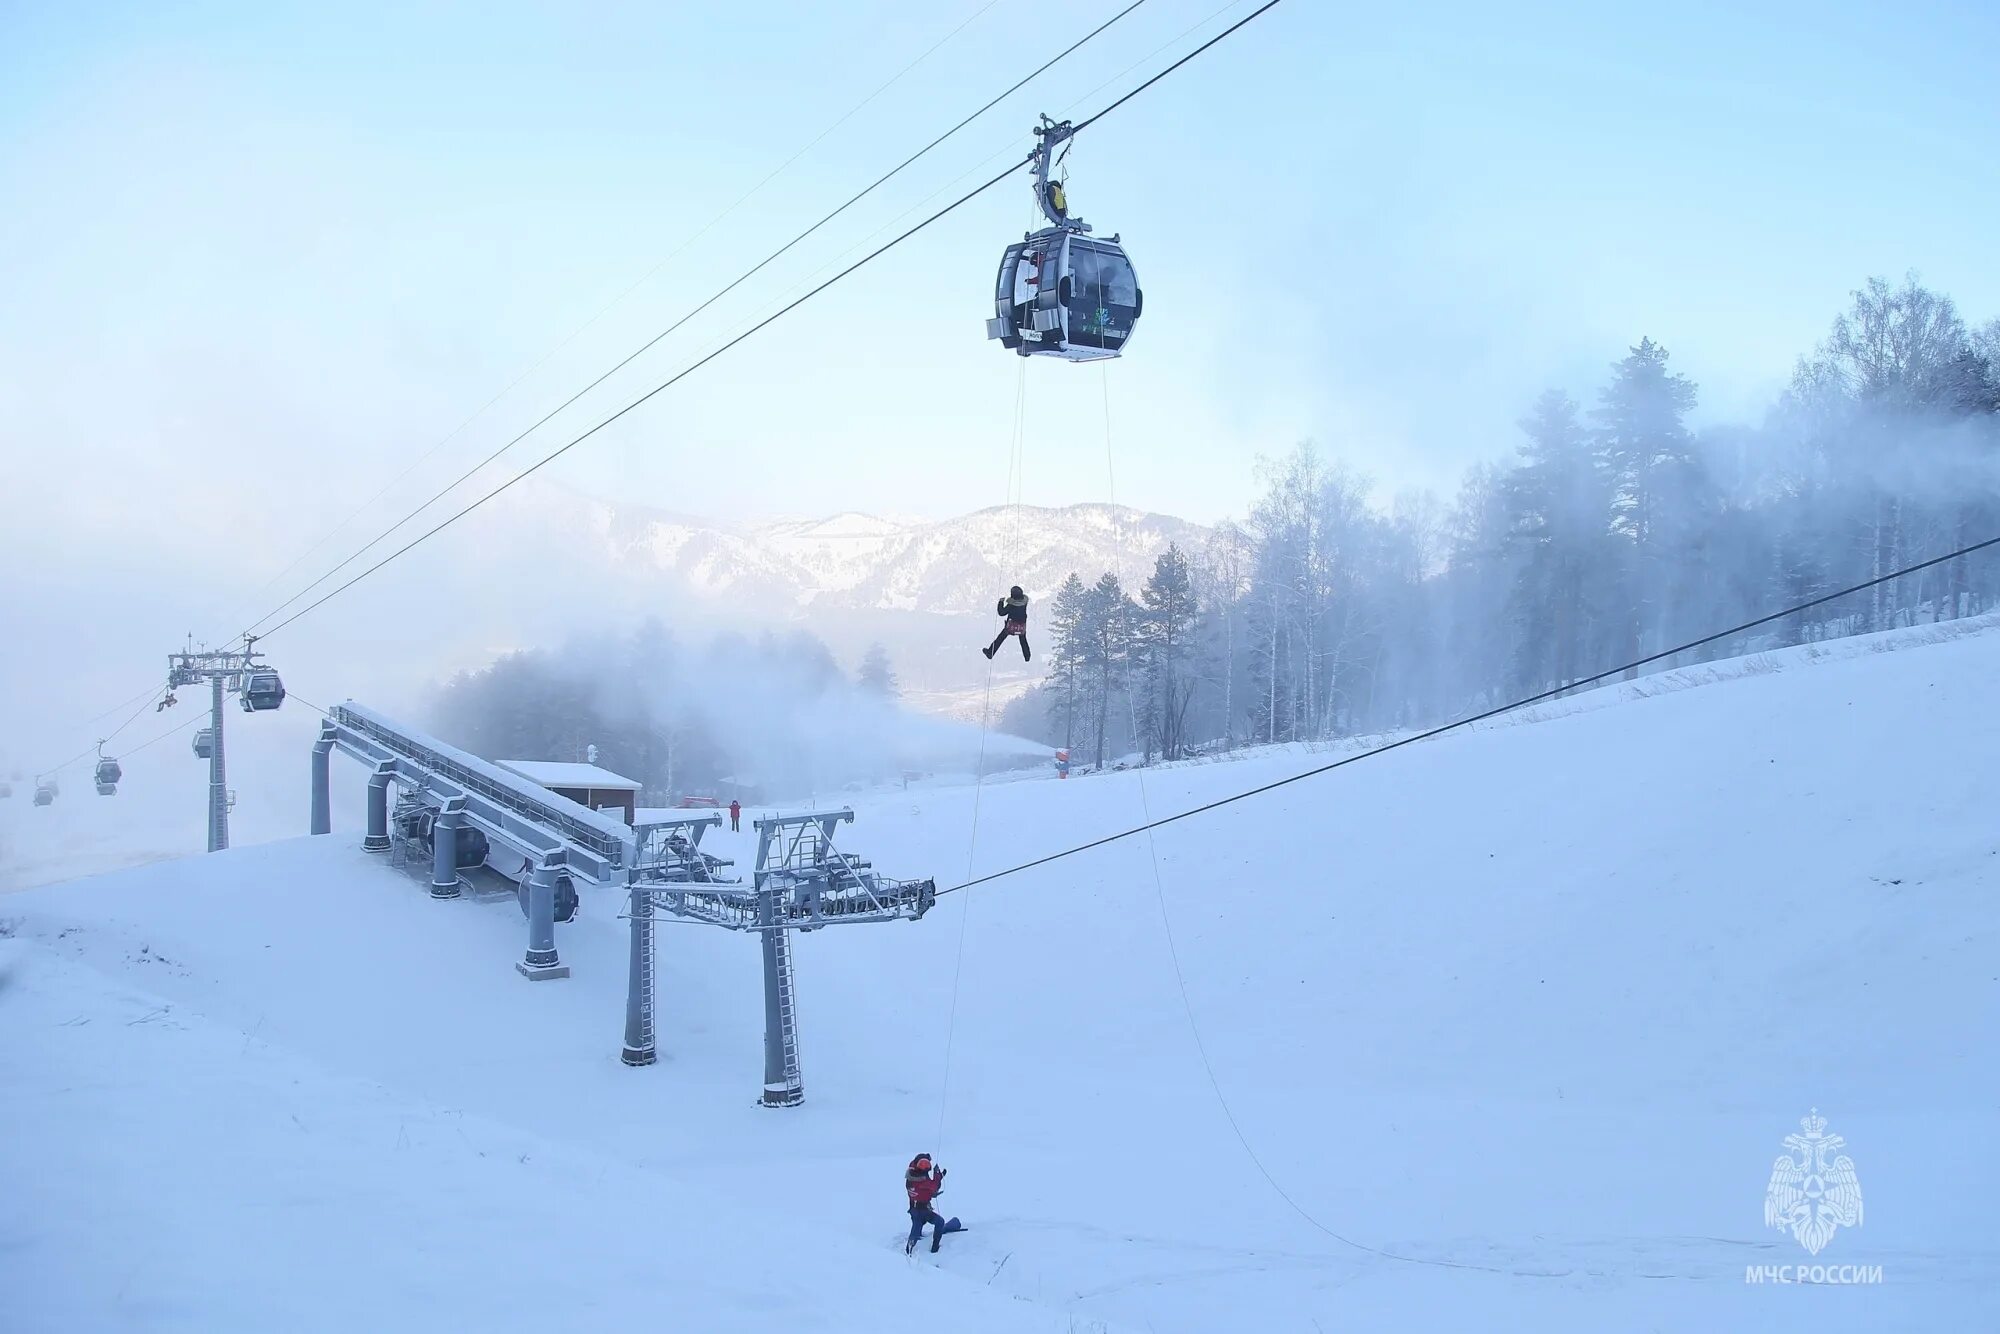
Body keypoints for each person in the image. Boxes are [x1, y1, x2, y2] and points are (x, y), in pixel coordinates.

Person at [904, 1153, 952, 1255]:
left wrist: (925, 1157)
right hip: (923, 1211)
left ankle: (909, 1250)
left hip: (914, 1209)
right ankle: (933, 1249)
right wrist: (937, 1174)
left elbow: (914, 1162)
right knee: (939, 1222)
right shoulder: (922, 1181)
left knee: (916, 1228)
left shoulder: (911, 1175)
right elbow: (934, 1186)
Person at [983, 586, 1030, 662]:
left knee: (1000, 638)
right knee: (1023, 640)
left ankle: (990, 653)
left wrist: (1001, 602)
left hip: (1010, 627)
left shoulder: (1011, 605)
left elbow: (1001, 613)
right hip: (1021, 627)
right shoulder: (1024, 603)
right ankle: (1027, 656)